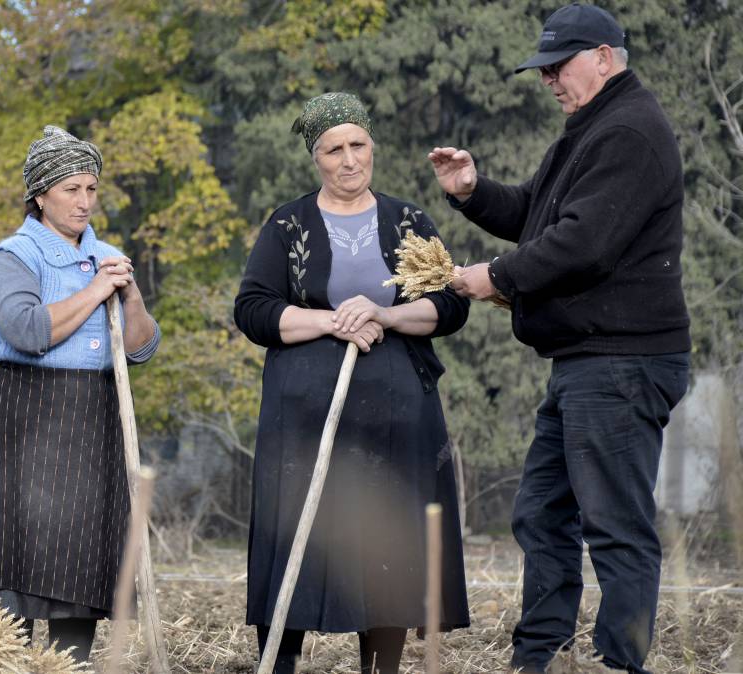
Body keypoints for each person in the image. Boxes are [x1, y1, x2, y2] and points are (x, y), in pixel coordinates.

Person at [429, 5, 690, 673]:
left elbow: (583, 245)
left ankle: (615, 663)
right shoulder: (592, 129)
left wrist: (495, 277)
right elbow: (539, 218)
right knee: (543, 512)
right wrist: (472, 191)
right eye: (541, 68)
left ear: (604, 57)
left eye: (558, 64)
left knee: (615, 527)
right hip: (586, 360)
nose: (547, 78)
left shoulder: (630, 131)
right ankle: (540, 655)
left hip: (621, 361)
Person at [234, 92, 470, 674]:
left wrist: (383, 315)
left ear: (373, 147)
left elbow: (450, 305)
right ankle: (279, 663)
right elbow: (254, 311)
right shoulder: (287, 224)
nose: (347, 160)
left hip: (396, 409)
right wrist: (330, 321)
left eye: (357, 145)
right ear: (314, 158)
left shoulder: (410, 220)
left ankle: (381, 667)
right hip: (305, 412)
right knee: (297, 530)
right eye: (332, 149)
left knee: (387, 539)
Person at [0, 125, 161, 664]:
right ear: (41, 194)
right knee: (17, 550)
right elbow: (27, 331)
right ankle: (6, 659)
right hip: (26, 411)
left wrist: (130, 292)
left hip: (93, 413)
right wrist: (96, 290)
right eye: (71, 189)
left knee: (82, 554)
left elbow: (141, 348)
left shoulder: (108, 254)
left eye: (91, 189)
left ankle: (71, 663)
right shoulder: (15, 255)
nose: (84, 201)